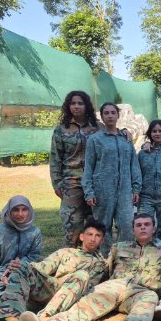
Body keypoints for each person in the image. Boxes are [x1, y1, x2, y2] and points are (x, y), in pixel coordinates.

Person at [19, 214, 161, 321]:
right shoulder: (119, 247)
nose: (142, 227)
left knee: (150, 297)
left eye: (147, 224)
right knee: (87, 305)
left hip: (140, 292)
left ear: (154, 229)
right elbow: (105, 270)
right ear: (133, 230)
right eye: (138, 225)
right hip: (115, 286)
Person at [0, 219, 107, 321]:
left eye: (98, 236)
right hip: (51, 287)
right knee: (24, 266)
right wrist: (21, 267)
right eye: (89, 234)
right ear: (81, 236)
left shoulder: (102, 265)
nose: (93, 239)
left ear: (102, 240)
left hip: (71, 295)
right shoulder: (66, 252)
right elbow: (42, 267)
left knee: (82, 275)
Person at [81, 103, 141, 255]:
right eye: (106, 113)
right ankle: (106, 260)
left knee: (126, 225)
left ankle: (124, 258)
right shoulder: (95, 140)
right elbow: (88, 166)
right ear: (101, 116)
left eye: (113, 113)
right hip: (102, 191)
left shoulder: (125, 139)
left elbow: (134, 164)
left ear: (118, 115)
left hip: (125, 191)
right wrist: (89, 191)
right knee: (103, 227)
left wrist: (136, 187)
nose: (110, 116)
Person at [49, 90, 103, 247]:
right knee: (72, 224)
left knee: (96, 224)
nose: (77, 106)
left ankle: (96, 259)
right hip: (72, 182)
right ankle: (72, 259)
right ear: (68, 106)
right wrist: (56, 183)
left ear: (86, 106)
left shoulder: (98, 127)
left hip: (95, 183)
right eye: (73, 103)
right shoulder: (61, 129)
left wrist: (125, 132)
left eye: (80, 103)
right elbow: (55, 158)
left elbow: (114, 136)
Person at [0, 196, 43, 307]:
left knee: (46, 289)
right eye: (15, 210)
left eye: (24, 209)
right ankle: (24, 300)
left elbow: (34, 257)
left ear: (30, 211)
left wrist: (20, 265)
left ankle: (14, 299)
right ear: (8, 211)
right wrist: (4, 274)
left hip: (25, 274)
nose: (20, 214)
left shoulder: (34, 232)